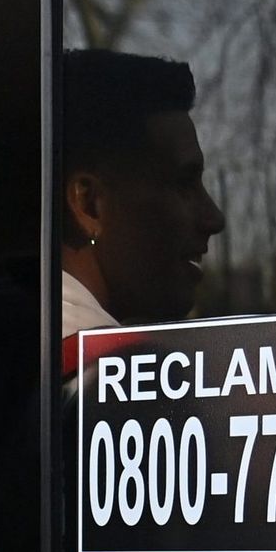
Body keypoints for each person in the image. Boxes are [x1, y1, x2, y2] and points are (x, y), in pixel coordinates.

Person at [61, 49, 226, 339]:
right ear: (89, 205)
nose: (214, 219)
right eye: (183, 184)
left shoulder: (23, 340)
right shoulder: (97, 362)